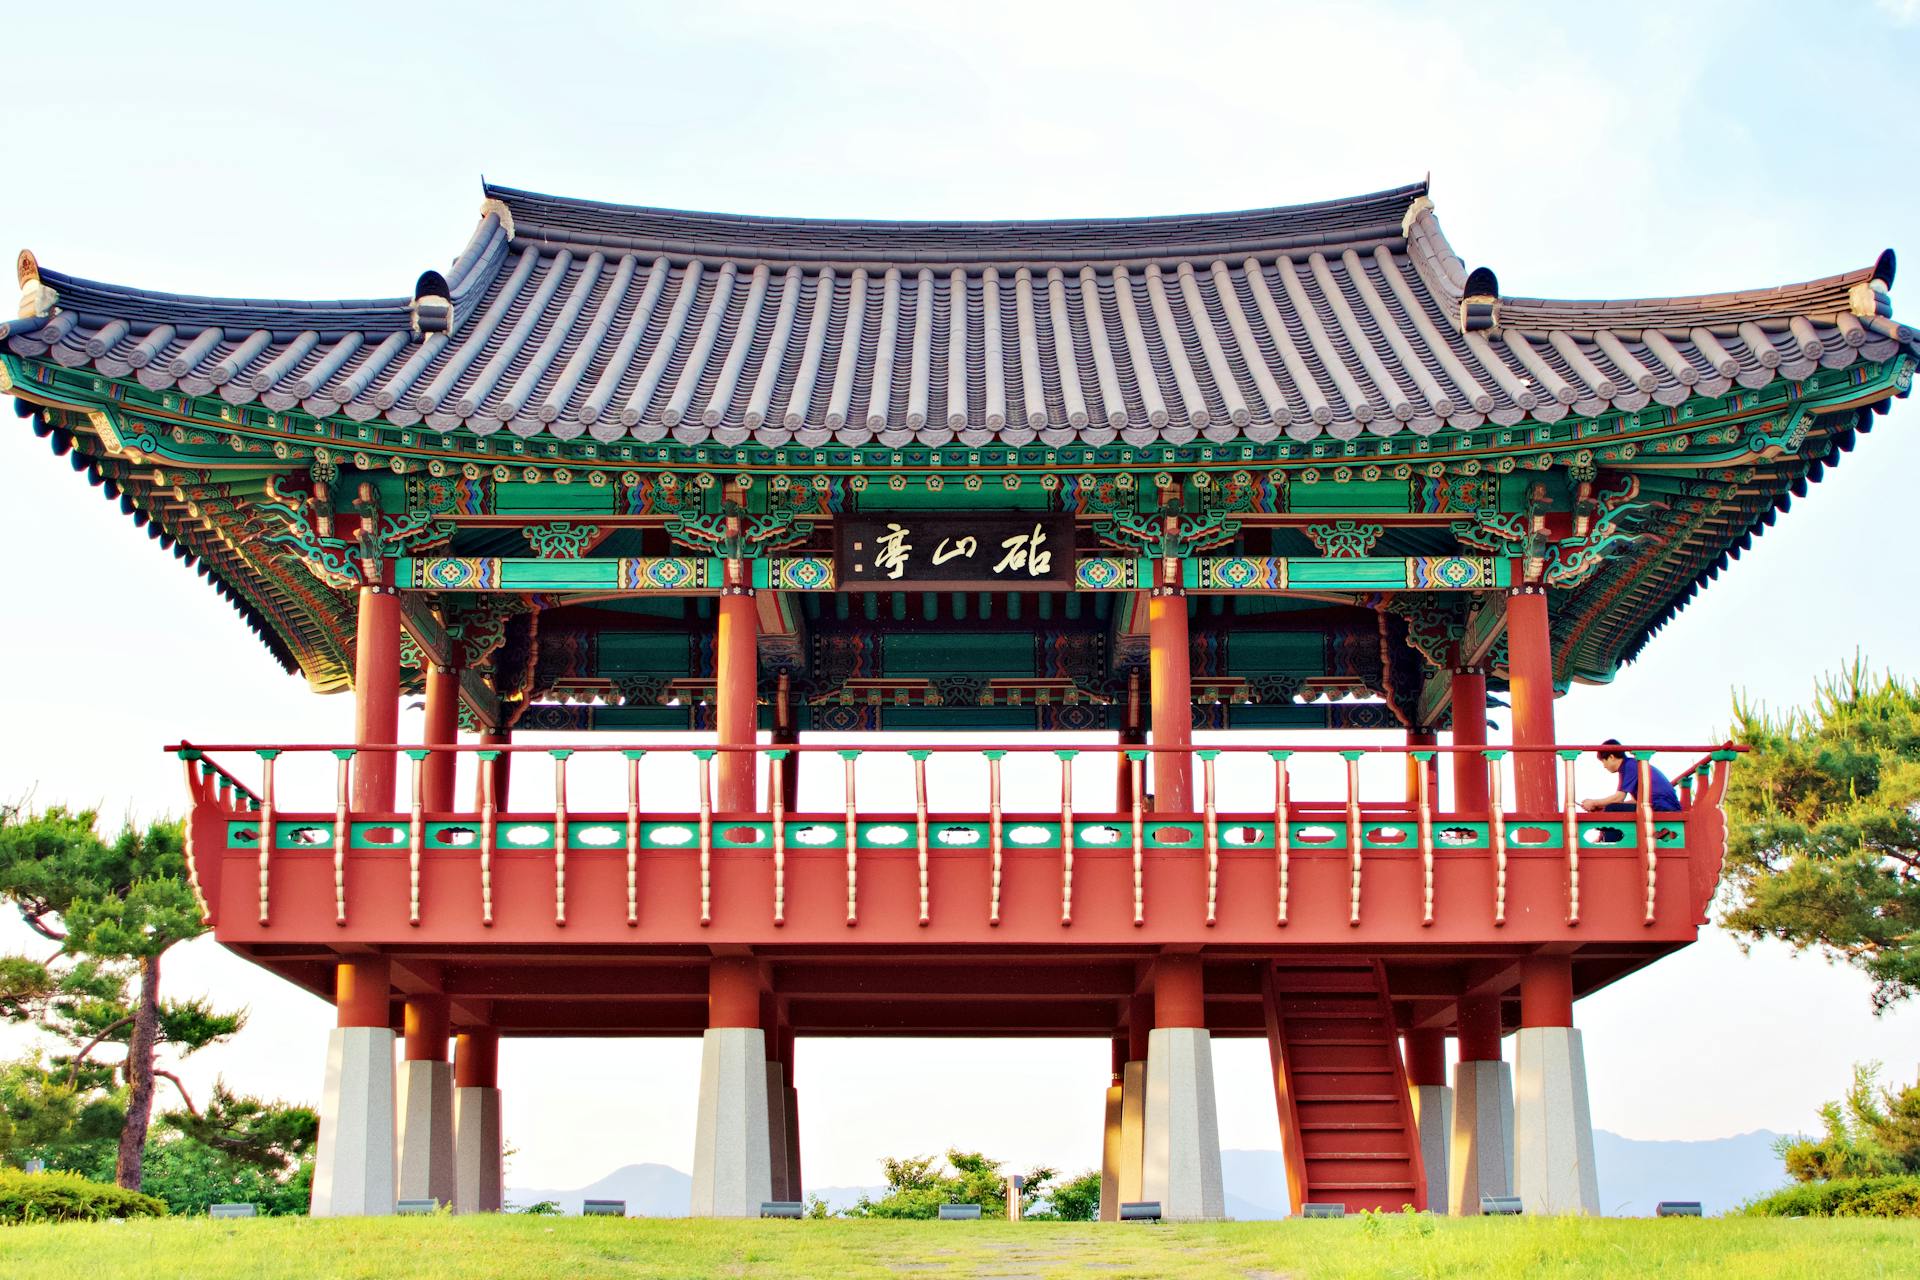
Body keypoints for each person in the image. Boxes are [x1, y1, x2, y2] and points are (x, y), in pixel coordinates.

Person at [1579, 739, 1681, 813]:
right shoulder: (1630, 765)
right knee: (1611, 807)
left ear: (1611, 757)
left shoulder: (1629, 766)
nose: (1604, 766)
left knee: (1612, 809)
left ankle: (1612, 842)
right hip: (1661, 805)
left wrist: (1594, 803)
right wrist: (1603, 805)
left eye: (1603, 762)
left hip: (1662, 807)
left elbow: (1618, 798)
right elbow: (1635, 801)